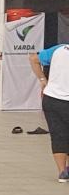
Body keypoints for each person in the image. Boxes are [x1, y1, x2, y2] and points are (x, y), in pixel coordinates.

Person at [30, 42, 69, 181]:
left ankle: (62, 172)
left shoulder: (58, 49)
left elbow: (33, 58)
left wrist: (42, 79)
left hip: (52, 99)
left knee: (58, 135)